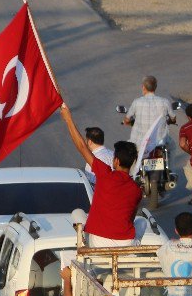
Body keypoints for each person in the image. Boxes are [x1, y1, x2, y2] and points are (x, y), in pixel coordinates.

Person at [60, 104, 142, 247]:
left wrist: (68, 119)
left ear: (115, 161)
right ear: (132, 162)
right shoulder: (136, 189)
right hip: (126, 242)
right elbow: (131, 217)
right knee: (143, 221)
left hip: (98, 241)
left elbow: (81, 146)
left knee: (78, 213)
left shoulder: (104, 174)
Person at [122, 75, 176, 154]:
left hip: (140, 143)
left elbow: (127, 119)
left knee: (130, 154)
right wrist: (171, 121)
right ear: (155, 87)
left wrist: (127, 122)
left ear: (143, 87)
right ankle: (170, 165)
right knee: (172, 147)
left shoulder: (137, 102)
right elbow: (173, 118)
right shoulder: (165, 102)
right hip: (160, 141)